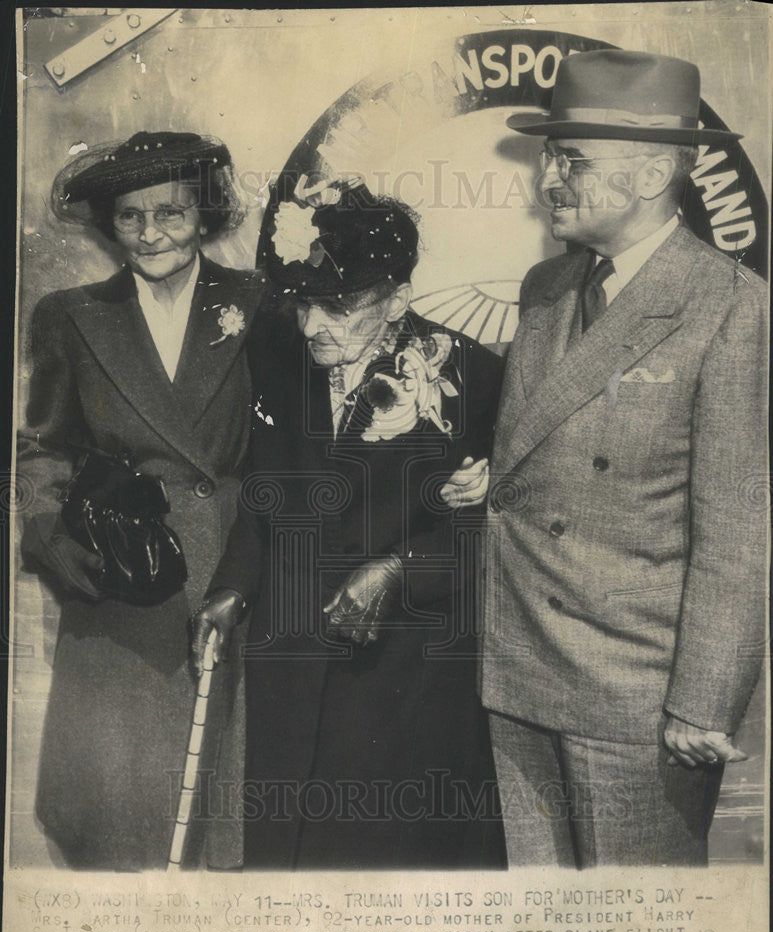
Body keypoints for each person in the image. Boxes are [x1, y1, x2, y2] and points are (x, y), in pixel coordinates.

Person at [478, 49, 768, 866]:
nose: (547, 180)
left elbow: (738, 536)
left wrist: (700, 706)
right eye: (547, 157)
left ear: (649, 174)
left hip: (638, 703)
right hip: (519, 673)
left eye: (571, 160)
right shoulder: (545, 289)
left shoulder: (731, 309)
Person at [192, 182, 506, 869]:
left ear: (397, 299)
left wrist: (401, 570)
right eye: (302, 301)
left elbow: (497, 529)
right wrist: (234, 585)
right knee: (287, 877)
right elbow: (266, 486)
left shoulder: (474, 379)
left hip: (405, 682)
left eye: (337, 306)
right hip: (290, 663)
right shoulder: (276, 351)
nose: (311, 325)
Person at [18, 131, 263, 870]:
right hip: (119, 581)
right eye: (130, 217)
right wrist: (49, 534)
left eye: (172, 214)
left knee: (216, 818)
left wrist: (247, 570)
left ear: (205, 214)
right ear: (109, 223)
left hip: (226, 577)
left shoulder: (258, 303)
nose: (151, 233)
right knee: (123, 819)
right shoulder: (70, 314)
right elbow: (44, 444)